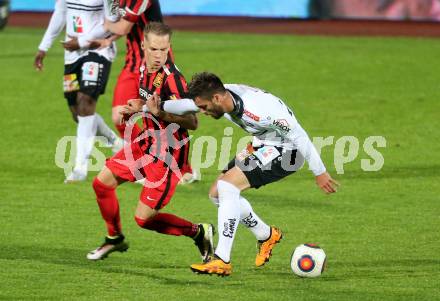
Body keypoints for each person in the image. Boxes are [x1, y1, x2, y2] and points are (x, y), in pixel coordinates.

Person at [145, 72, 339, 276]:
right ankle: (266, 234)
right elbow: (186, 105)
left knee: (227, 186)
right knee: (217, 194)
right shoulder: (218, 96)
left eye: (204, 108)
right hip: (262, 144)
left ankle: (222, 259)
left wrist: (320, 172)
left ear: (217, 99)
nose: (202, 112)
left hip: (288, 152)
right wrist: (149, 108)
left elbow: (300, 136)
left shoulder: (261, 110)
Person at [86, 23, 214, 262]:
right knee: (101, 184)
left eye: (164, 50)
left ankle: (198, 232)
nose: (159, 56)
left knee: (143, 219)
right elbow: (149, 102)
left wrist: (158, 113)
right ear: (143, 45)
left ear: (169, 48)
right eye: (154, 49)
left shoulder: (173, 80)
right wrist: (135, 107)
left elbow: (192, 122)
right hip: (146, 144)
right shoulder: (144, 68)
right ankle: (114, 238)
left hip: (168, 157)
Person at [100, 0, 200, 184]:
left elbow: (122, 27)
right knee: (119, 116)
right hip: (133, 64)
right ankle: (145, 160)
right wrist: (107, 39)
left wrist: (103, 23)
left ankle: (183, 166)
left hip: (157, 64)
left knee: (166, 115)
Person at [34, 0, 123, 183]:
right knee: (77, 112)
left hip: (97, 50)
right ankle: (115, 142)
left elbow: (113, 21)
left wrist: (82, 41)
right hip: (72, 53)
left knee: (85, 103)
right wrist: (44, 47)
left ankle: (80, 169)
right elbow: (60, 13)